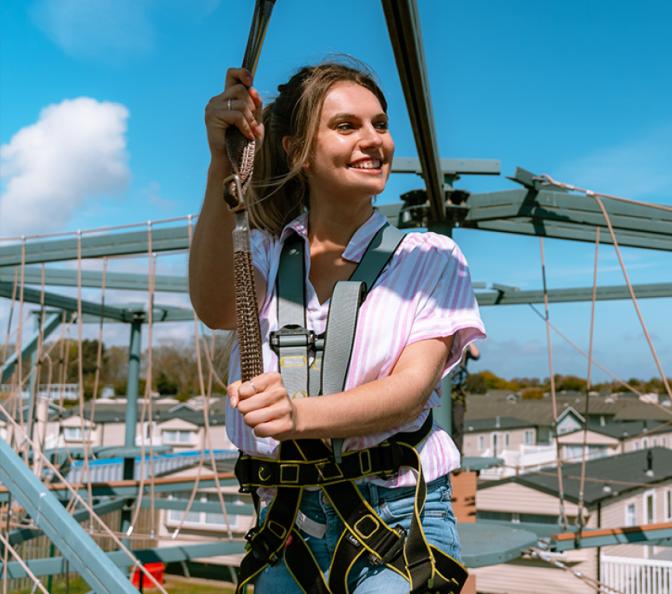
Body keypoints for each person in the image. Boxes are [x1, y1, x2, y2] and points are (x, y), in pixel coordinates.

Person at [189, 60, 485, 593]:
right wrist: (220, 164)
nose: (375, 140)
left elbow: (409, 392)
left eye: (380, 124)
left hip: (394, 517)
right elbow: (217, 310)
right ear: (297, 150)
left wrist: (297, 413)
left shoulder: (431, 257)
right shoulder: (264, 252)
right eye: (347, 126)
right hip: (285, 522)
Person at [450, 344, 480, 452]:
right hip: (442, 393)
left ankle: (457, 456)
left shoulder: (463, 348)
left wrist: (468, 339)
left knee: (457, 425)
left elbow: (476, 355)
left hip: (457, 393)